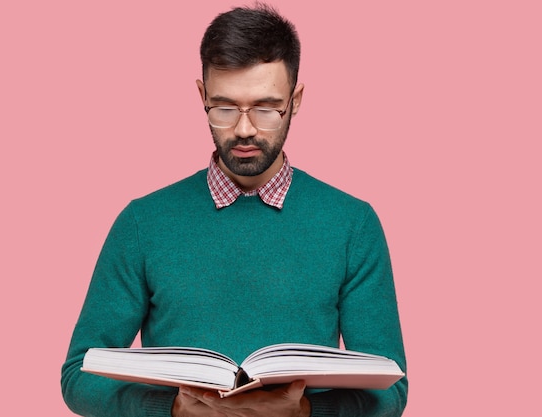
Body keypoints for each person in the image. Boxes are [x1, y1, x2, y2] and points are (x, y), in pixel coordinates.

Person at [61, 3, 408, 416]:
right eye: (225, 107)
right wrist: (171, 409)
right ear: (202, 96)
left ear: (295, 101)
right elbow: (78, 375)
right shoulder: (142, 223)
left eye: (266, 108)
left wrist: (304, 414)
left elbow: (391, 388)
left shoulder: (353, 224)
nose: (244, 129)